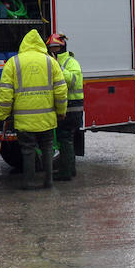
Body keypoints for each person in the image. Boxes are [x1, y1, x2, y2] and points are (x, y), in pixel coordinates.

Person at [0, 29, 68, 189]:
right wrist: (61, 111)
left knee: (28, 149)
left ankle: (28, 183)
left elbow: (6, 93)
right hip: (47, 118)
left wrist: (3, 115)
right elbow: (61, 90)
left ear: (24, 44)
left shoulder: (13, 63)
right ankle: (48, 181)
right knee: (48, 147)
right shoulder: (51, 62)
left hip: (24, 120)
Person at [45, 32, 84, 181]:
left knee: (65, 139)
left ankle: (66, 172)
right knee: (66, 139)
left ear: (62, 47)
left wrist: (58, 67)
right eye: (51, 48)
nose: (53, 50)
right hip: (66, 107)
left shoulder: (70, 62)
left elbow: (73, 81)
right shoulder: (52, 62)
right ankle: (70, 169)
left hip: (71, 108)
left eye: (56, 47)